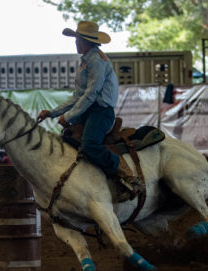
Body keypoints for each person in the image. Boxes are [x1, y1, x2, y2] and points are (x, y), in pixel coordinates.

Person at [37, 21, 139, 196]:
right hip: (90, 111)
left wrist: (68, 117)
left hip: (100, 111)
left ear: (84, 41)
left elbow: (91, 94)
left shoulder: (96, 61)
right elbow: (78, 96)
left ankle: (124, 173)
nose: (75, 43)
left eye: (77, 39)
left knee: (90, 145)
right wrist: (53, 113)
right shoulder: (87, 61)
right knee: (68, 141)